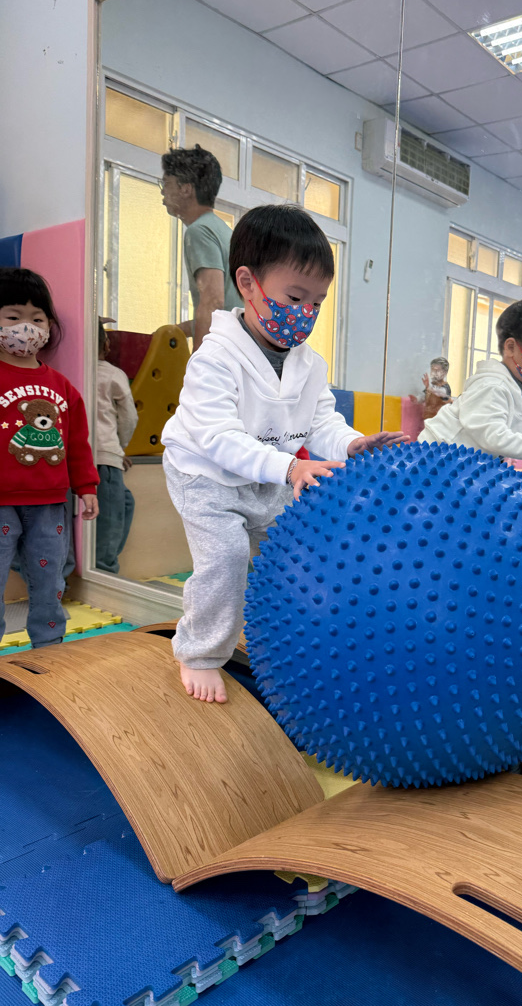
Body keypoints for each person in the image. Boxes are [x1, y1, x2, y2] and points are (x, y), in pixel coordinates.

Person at [162, 204, 406, 705]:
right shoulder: (215, 356)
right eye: (295, 298)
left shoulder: (309, 364)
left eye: (317, 302)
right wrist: (290, 466)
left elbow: (321, 422)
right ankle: (199, 653)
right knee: (227, 557)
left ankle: (294, 645)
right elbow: (217, 436)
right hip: (205, 474)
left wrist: (352, 443)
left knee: (305, 550)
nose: (306, 313)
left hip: (270, 474)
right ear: (247, 284)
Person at [0, 268, 99, 648]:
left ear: (49, 326)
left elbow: (77, 443)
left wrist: (87, 487)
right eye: (13, 317)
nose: (26, 328)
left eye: (37, 319)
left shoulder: (62, 387)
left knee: (50, 580)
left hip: (50, 503)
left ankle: (50, 648)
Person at [418, 296, 522, 465]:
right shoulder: (492, 386)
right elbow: (493, 436)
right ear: (511, 347)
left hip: (462, 463)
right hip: (436, 456)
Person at [160, 145, 241, 351]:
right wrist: (178, 330)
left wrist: (199, 359)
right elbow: (226, 311)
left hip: (226, 351)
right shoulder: (221, 229)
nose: (162, 191)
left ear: (185, 189)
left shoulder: (199, 231)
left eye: (166, 183)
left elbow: (213, 301)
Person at [95, 318, 138, 573]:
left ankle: (102, 563)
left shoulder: (71, 372)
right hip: (104, 456)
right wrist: (119, 447)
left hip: (85, 454)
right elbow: (129, 417)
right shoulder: (113, 374)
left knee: (125, 501)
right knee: (110, 519)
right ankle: (104, 568)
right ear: (107, 345)